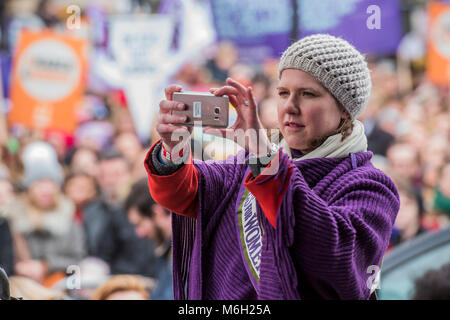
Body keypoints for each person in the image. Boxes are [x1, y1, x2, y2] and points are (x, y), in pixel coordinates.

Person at [145, 34, 400, 300]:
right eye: (283, 93)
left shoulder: (372, 186)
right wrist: (172, 151)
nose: (290, 106)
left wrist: (266, 160)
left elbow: (336, 259)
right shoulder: (252, 161)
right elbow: (185, 194)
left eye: (308, 94)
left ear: (345, 108)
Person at [124, 178, 173, 300]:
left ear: (157, 213)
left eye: (139, 224)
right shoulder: (169, 250)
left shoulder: (185, 253)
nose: (139, 233)